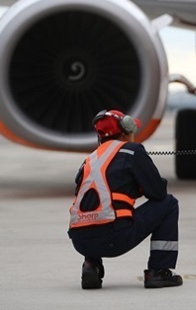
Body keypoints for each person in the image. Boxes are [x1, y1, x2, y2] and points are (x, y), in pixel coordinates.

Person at [68, 109, 182, 289]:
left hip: (80, 242)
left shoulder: (90, 160)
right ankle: (158, 271)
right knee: (168, 203)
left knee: (96, 212)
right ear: (125, 130)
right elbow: (157, 193)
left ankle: (92, 266)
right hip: (114, 237)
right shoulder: (132, 151)